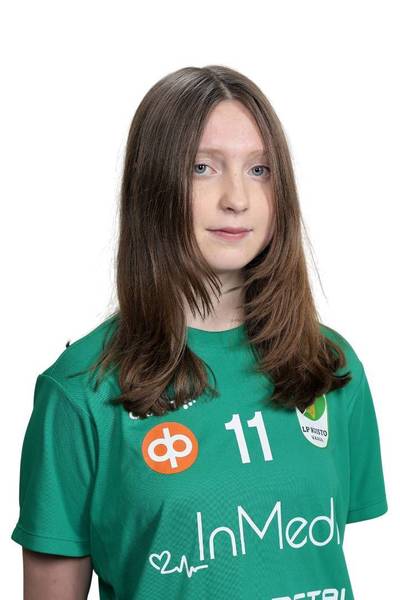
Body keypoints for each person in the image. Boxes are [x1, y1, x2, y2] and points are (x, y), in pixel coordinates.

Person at [11, 65, 388, 600]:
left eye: (259, 169)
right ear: (153, 184)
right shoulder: (79, 391)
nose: (237, 197)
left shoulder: (328, 365)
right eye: (203, 167)